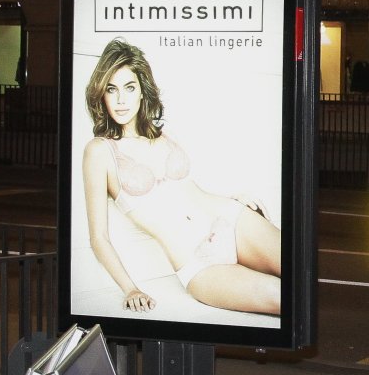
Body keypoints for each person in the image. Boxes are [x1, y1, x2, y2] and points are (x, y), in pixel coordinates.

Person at [80, 38, 281, 315]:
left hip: (230, 219)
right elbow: (98, 238)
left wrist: (234, 197)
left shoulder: (163, 135)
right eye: (111, 89)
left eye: (130, 87)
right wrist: (130, 288)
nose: (121, 99)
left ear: (142, 91)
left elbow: (187, 191)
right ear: (102, 94)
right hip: (197, 263)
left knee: (299, 268)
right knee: (281, 296)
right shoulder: (99, 151)